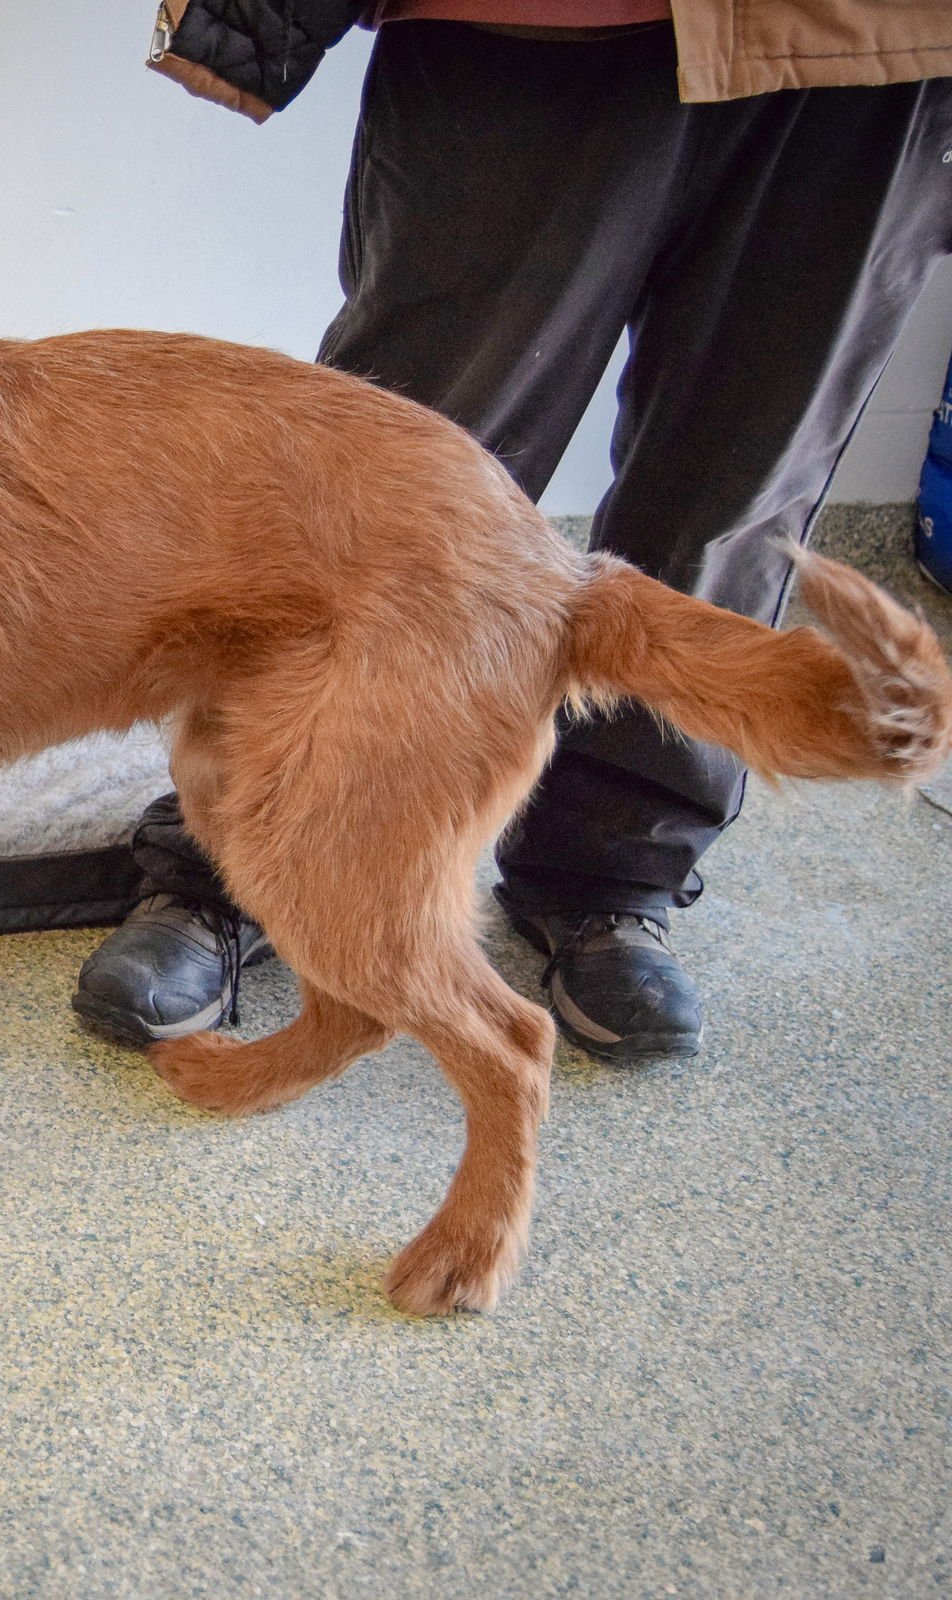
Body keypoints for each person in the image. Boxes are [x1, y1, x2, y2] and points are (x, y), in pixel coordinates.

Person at [71, 0, 952, 1061]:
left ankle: (614, 869)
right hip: (531, 20)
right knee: (382, 476)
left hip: (865, 39)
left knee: (735, 483)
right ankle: (232, 865)